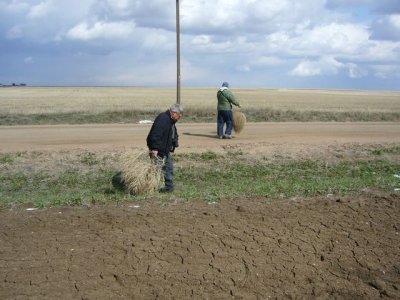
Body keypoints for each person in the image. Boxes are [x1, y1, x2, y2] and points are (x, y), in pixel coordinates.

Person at [147, 103, 183, 193]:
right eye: (179, 115)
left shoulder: (170, 121)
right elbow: (155, 134)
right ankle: (150, 187)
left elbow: (173, 133)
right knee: (156, 169)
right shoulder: (162, 119)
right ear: (174, 113)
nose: (180, 117)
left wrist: (175, 142)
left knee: (168, 168)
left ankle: (168, 188)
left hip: (164, 149)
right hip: (158, 149)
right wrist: (154, 149)